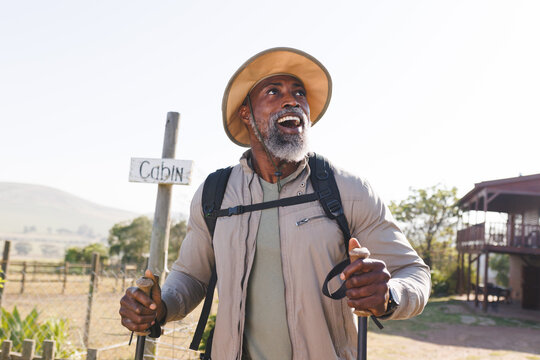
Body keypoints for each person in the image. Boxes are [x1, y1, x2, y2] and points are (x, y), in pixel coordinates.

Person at [119, 47, 431, 360]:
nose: (292, 100)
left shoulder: (347, 191)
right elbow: (192, 276)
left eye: (299, 92)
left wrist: (388, 295)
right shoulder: (215, 193)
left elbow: (413, 273)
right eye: (273, 91)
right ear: (246, 113)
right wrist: (159, 308)